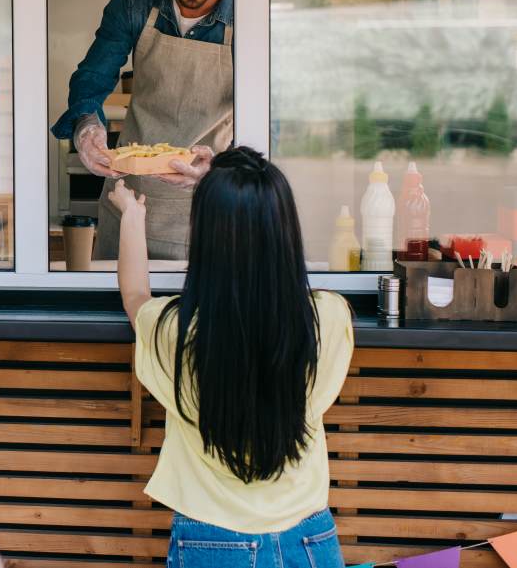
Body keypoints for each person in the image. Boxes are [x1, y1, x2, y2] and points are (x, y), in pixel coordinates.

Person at [108, 147, 353, 568]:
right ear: (285, 230)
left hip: (211, 543)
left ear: (207, 236)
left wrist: (131, 215)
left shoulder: (178, 332)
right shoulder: (327, 318)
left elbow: (135, 296)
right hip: (310, 540)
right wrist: (222, 186)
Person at [52, 0, 234, 260]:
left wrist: (221, 169)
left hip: (211, 197)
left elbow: (268, 113)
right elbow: (92, 78)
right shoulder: (136, 0)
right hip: (131, 197)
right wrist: (87, 126)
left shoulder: (250, 8)